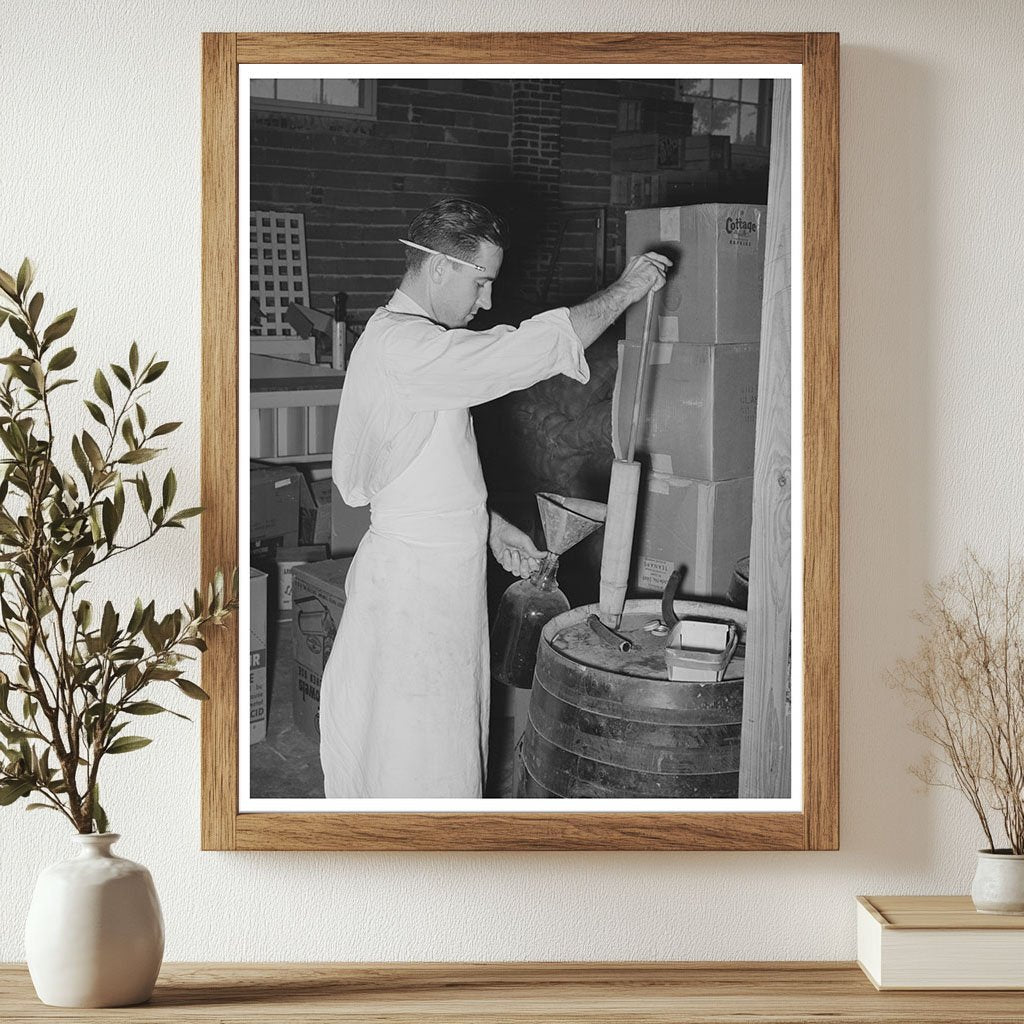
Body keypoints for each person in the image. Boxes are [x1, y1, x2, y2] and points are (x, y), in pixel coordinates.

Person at [320, 197, 669, 798]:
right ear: (437, 270)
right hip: (413, 593)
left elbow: (424, 466)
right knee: (414, 752)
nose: (485, 301)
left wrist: (488, 524)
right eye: (480, 282)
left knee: (438, 737)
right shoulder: (404, 346)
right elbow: (521, 352)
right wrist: (627, 289)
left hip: (437, 578)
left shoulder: (419, 345)